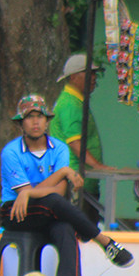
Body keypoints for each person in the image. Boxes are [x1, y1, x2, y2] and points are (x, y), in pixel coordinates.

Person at [1, 94, 134, 276]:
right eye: (29, 117)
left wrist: (32, 191)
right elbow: (24, 193)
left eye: (40, 117)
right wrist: (62, 172)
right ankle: (103, 241)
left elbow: (59, 190)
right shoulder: (11, 151)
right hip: (16, 211)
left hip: (50, 208)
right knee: (53, 202)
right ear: (21, 123)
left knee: (65, 226)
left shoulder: (59, 148)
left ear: (47, 121)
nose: (35, 122)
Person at [50, 53, 111, 221]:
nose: (94, 78)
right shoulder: (70, 104)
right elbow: (75, 142)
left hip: (82, 181)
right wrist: (97, 166)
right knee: (82, 231)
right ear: (75, 77)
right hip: (76, 181)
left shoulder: (76, 101)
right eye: (89, 74)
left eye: (94, 74)